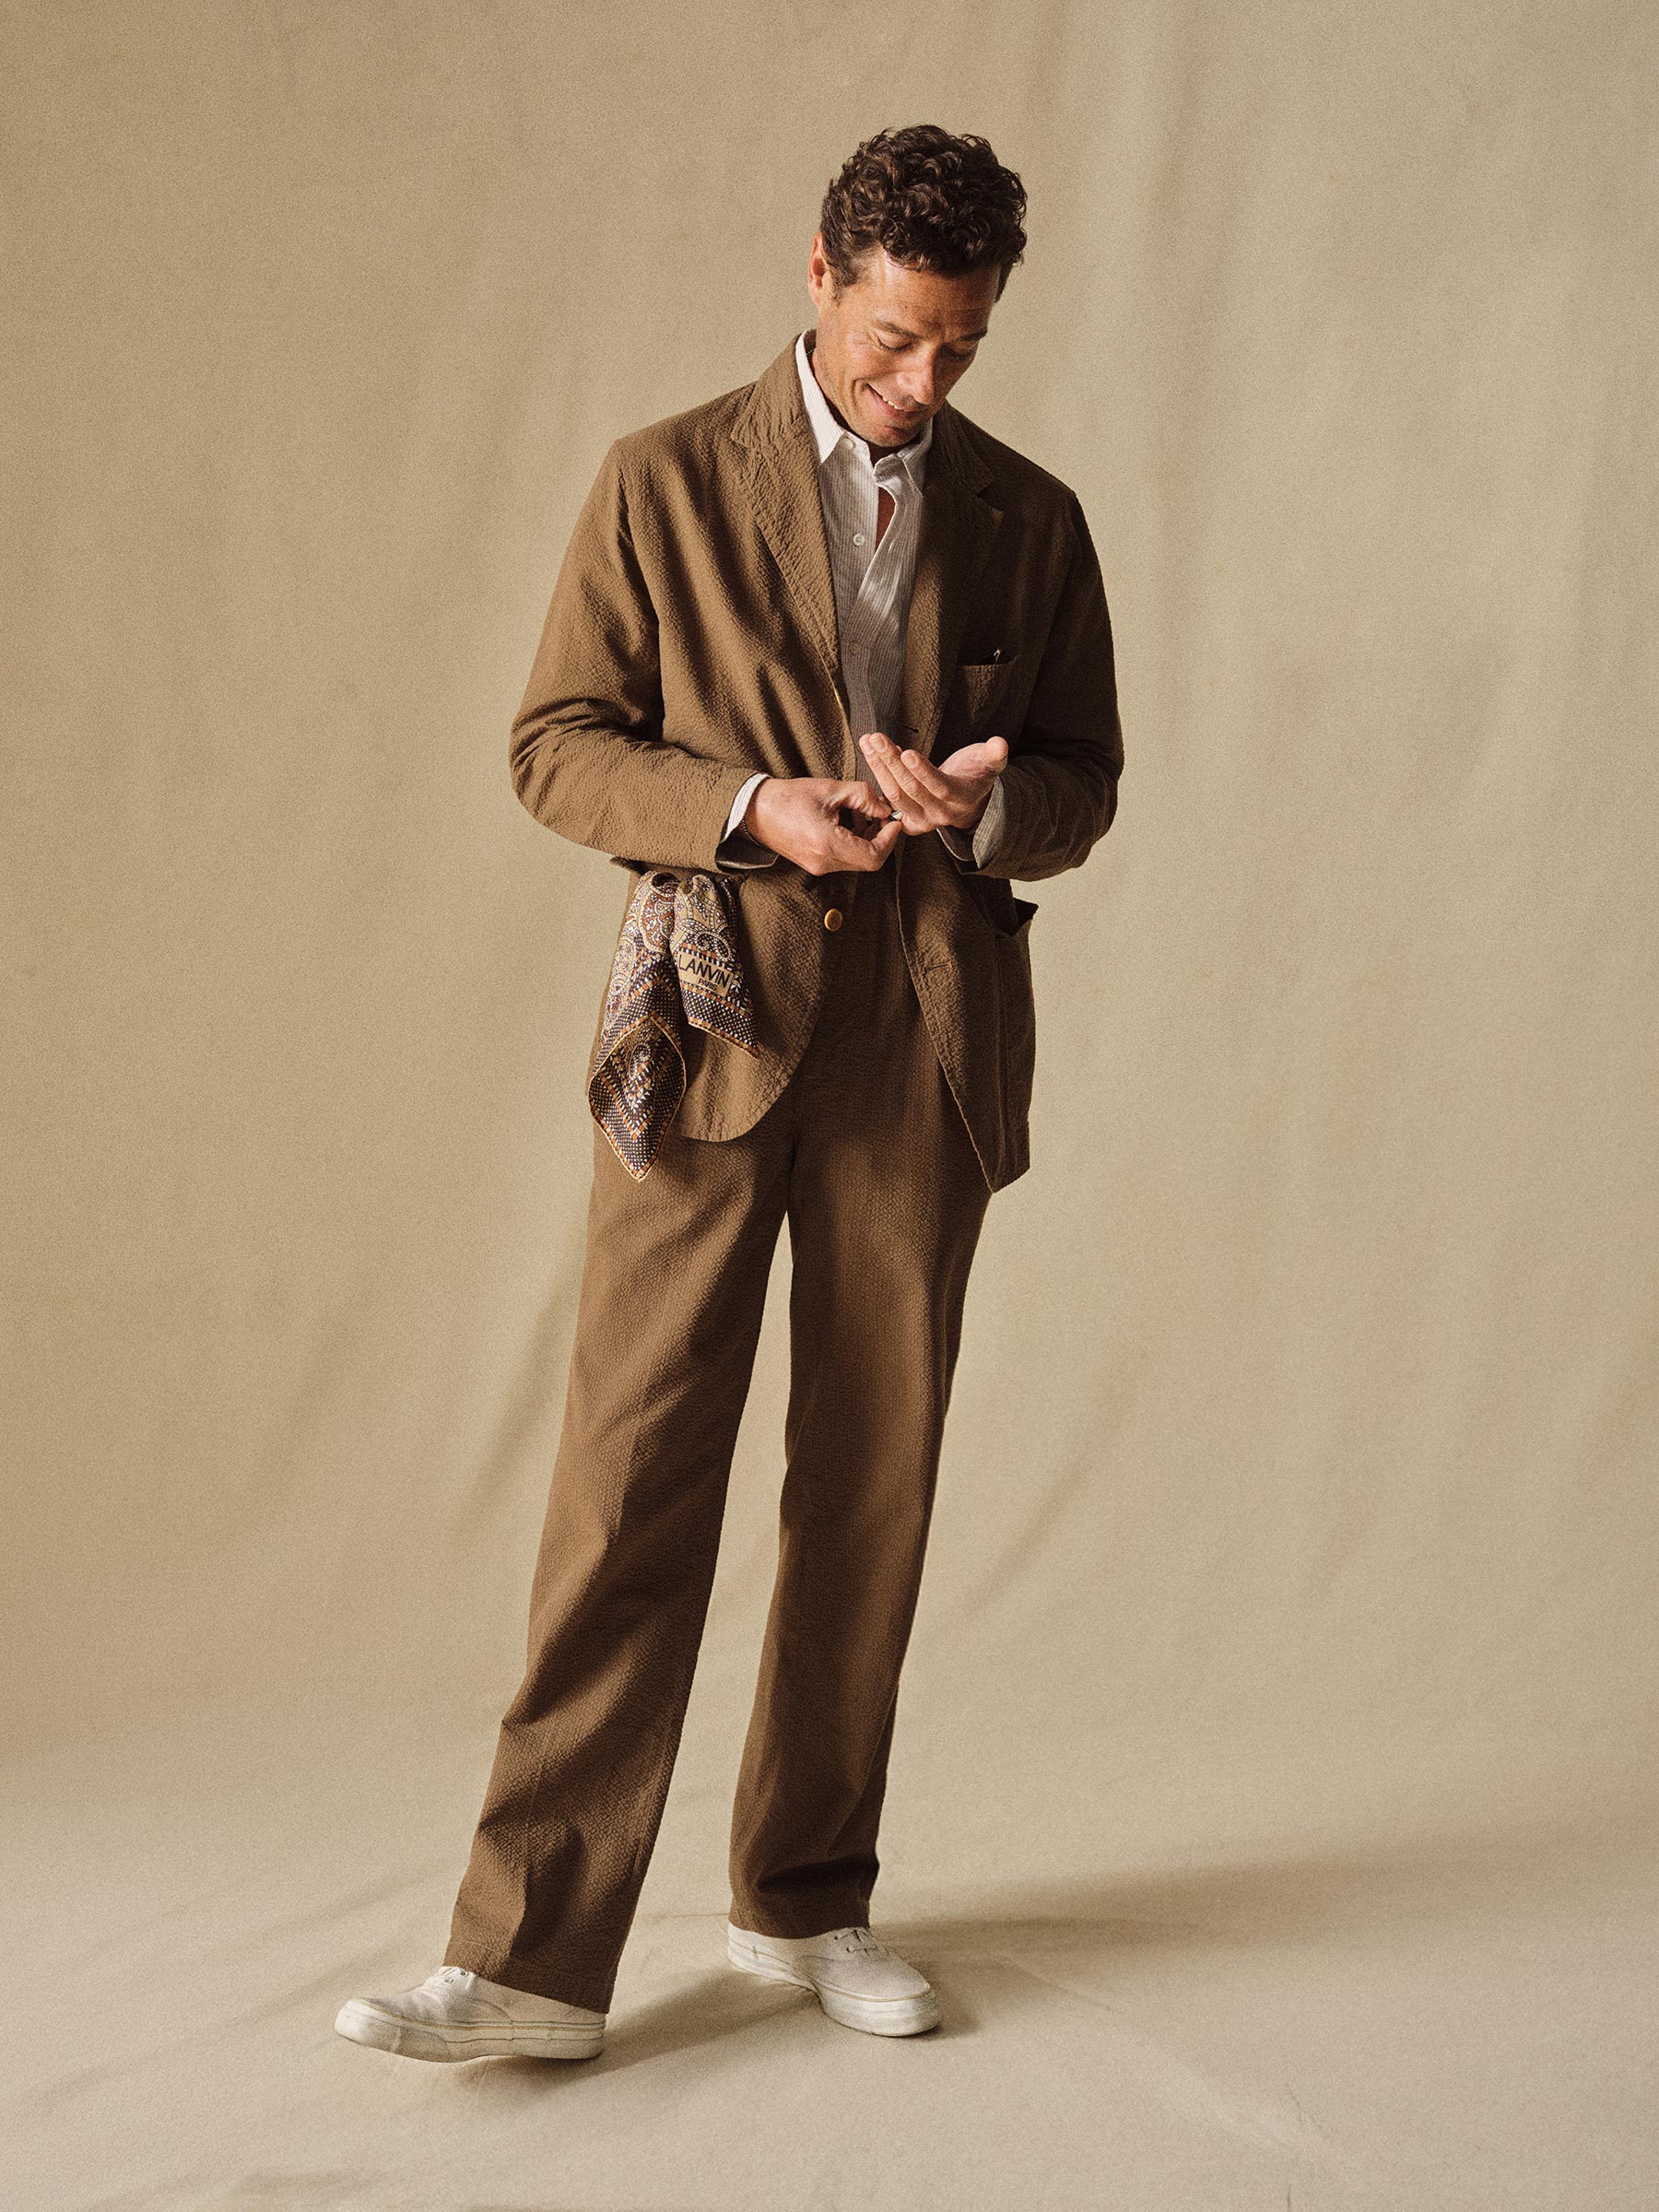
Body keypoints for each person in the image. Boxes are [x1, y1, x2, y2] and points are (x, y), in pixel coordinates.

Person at [335, 122, 1122, 2065]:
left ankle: (808, 1901)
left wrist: (985, 802)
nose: (922, 380)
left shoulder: (1030, 514)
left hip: (924, 1038)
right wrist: (754, 806)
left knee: (873, 1477)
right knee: (630, 1474)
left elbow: (1085, 778)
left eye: (960, 347)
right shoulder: (664, 479)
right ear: (819, 274)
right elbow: (555, 744)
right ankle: (530, 1966)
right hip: (707, 1027)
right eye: (893, 338)